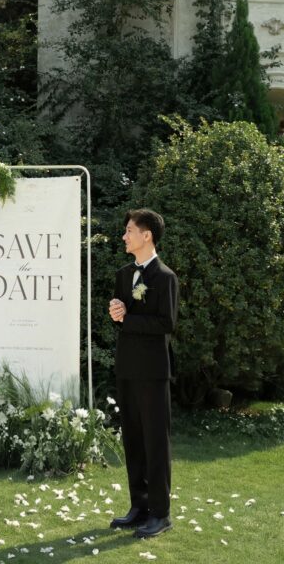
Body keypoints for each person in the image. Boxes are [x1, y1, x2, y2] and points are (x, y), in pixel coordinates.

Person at [107, 208, 178, 540]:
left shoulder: (165, 277)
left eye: (129, 231)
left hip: (153, 371)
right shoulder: (124, 274)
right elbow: (123, 318)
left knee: (155, 442)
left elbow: (166, 323)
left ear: (146, 235)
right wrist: (116, 311)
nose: (124, 236)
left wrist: (127, 319)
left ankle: (160, 514)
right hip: (127, 367)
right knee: (133, 440)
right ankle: (139, 507)